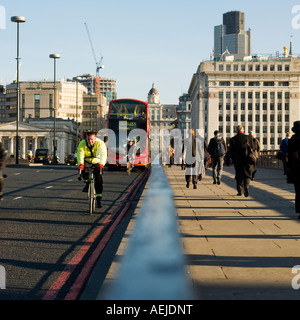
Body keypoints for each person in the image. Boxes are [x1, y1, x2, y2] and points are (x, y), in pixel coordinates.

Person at [77, 131, 107, 208]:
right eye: (88, 139)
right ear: (86, 139)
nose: (90, 141)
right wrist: (81, 164)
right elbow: (80, 153)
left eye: (92, 139)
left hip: (97, 161)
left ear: (95, 138)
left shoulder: (100, 143)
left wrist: (101, 164)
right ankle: (87, 184)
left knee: (99, 179)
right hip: (87, 160)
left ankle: (99, 200)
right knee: (84, 171)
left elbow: (103, 154)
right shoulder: (82, 143)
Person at [229, 125, 256, 197]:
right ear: (243, 130)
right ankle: (246, 186)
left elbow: (231, 152)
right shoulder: (249, 137)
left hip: (238, 160)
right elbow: (253, 147)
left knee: (238, 175)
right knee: (247, 174)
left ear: (236, 131)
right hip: (247, 159)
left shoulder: (232, 139)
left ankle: (240, 191)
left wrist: (233, 159)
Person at [287, 121, 300, 218]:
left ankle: (299, 210)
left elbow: (289, 154)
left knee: (298, 190)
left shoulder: (291, 140)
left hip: (295, 168)